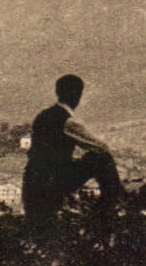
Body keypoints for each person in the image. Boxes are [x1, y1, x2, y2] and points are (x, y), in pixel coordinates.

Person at [22, 74, 126, 222]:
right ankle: (106, 210)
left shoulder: (43, 116)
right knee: (102, 158)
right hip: (55, 180)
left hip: (34, 181)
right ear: (77, 95)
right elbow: (101, 147)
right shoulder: (67, 121)